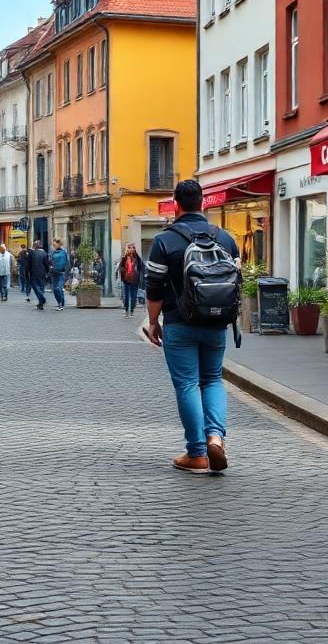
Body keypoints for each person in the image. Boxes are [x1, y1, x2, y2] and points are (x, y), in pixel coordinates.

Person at [144, 180, 240, 475]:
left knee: (187, 384)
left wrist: (153, 322)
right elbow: (236, 280)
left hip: (179, 322)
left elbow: (154, 287)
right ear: (203, 203)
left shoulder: (165, 241)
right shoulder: (225, 238)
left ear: (176, 204)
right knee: (213, 380)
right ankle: (216, 438)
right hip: (216, 322)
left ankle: (197, 453)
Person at [115, 242, 144, 318]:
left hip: (135, 280)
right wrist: (124, 271)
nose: (131, 249)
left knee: (133, 296)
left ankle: (131, 311)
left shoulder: (137, 258)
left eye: (133, 247)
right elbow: (120, 268)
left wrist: (138, 275)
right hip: (126, 280)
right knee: (126, 296)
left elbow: (141, 268)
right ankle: (126, 311)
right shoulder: (124, 258)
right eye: (130, 247)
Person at [27, 240, 51, 310]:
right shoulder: (44, 254)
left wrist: (27, 273)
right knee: (41, 288)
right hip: (42, 274)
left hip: (33, 273)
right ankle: (41, 303)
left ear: (35, 246)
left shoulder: (32, 253)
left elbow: (28, 265)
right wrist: (47, 272)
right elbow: (46, 264)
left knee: (36, 287)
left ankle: (42, 299)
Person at [49, 239, 70, 311]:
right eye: (53, 245)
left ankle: (61, 304)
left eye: (54, 245)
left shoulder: (64, 252)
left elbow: (67, 263)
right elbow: (50, 261)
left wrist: (67, 273)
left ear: (59, 244)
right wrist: (50, 267)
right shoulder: (53, 252)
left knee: (59, 288)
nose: (53, 246)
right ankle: (59, 303)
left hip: (61, 273)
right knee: (55, 290)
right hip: (54, 273)